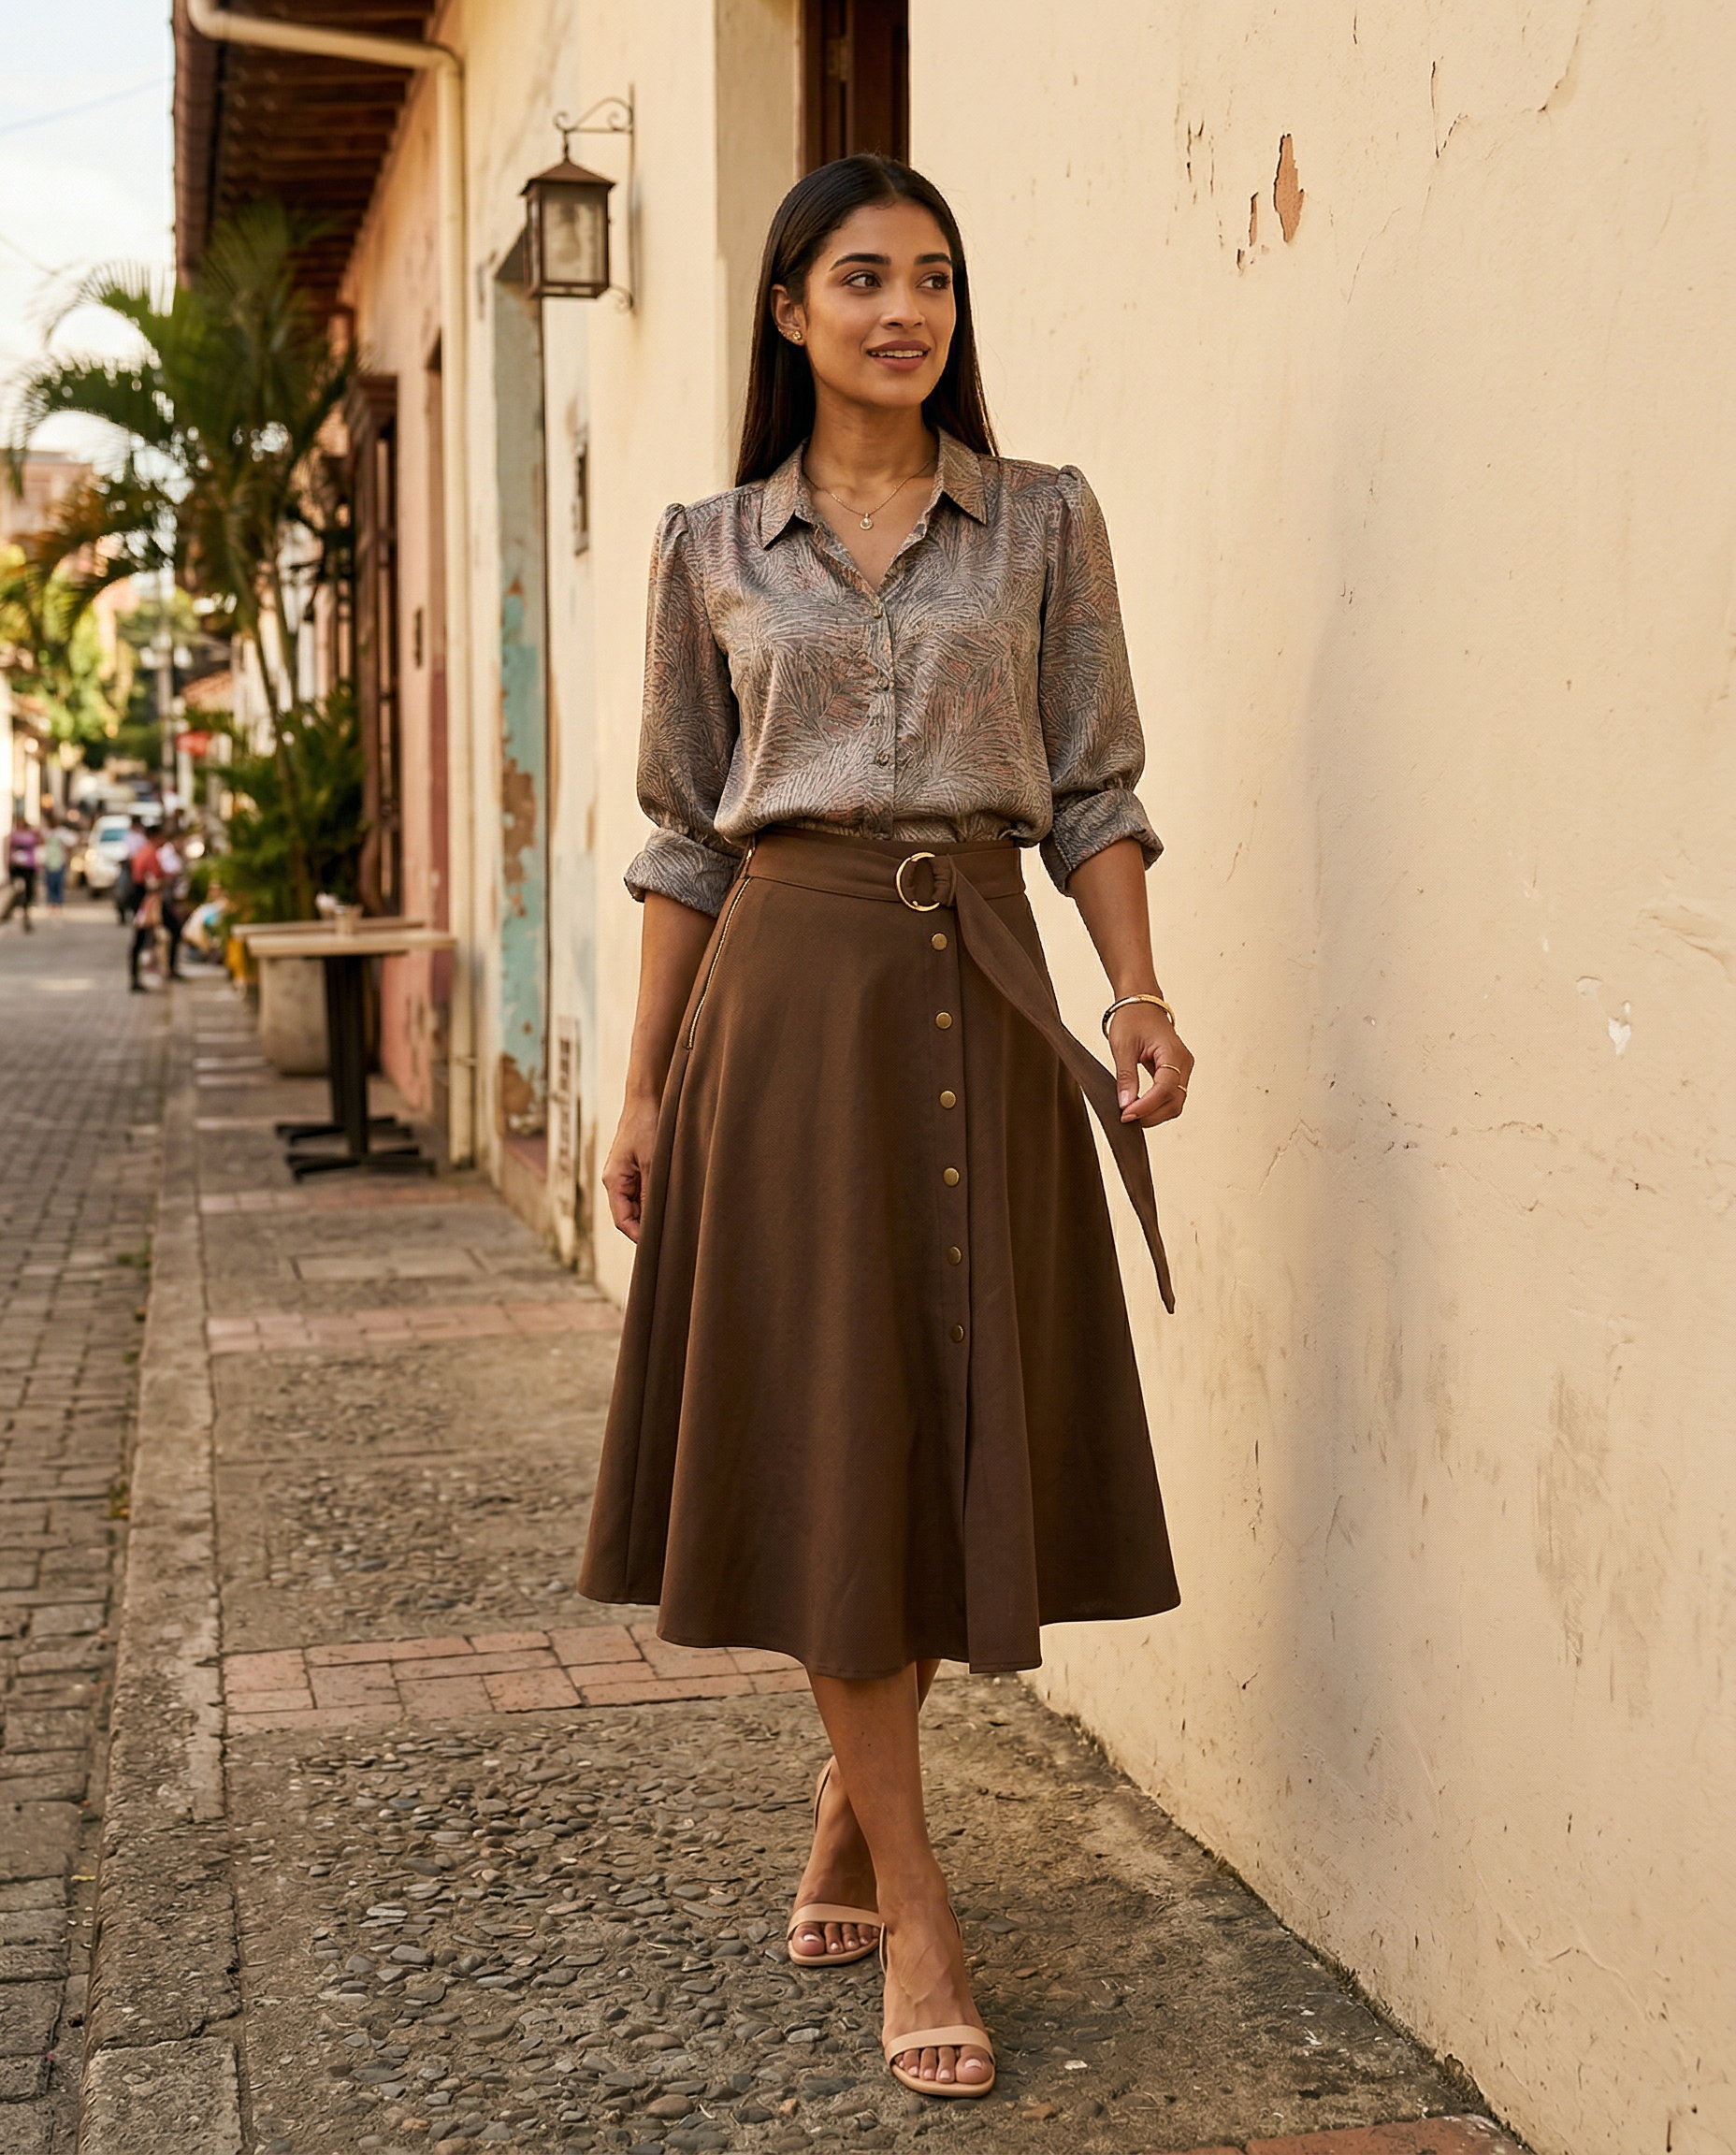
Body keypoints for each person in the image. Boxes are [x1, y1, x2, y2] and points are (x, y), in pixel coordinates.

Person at [578, 156, 1196, 2103]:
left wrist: (1138, 992)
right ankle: (918, 1896)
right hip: (790, 999)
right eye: (859, 278)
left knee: (940, 1423)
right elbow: (685, 831)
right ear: (788, 310)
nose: (901, 309)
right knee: (836, 1423)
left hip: (989, 992)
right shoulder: (706, 548)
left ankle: (854, 1811)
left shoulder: (1039, 523)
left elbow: (1091, 786)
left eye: (931, 277)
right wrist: (649, 1077)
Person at [126, 828, 165, 991]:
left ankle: (137, 977)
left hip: (139, 895)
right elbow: (156, 875)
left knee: (141, 939)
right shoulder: (150, 853)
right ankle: (137, 978)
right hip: (144, 898)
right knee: (142, 939)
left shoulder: (142, 851)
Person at [4, 815, 40, 932]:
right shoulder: (12, 836)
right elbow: (7, 850)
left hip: (28, 868)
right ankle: (10, 911)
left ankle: (25, 912)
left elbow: (39, 842)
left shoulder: (31, 834)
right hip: (16, 867)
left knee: (29, 892)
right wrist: (7, 865)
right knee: (16, 890)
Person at [116, 814, 149, 924]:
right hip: (129, 867)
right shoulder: (128, 836)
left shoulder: (142, 836)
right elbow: (128, 853)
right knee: (123, 892)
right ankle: (122, 914)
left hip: (140, 867)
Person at [41, 817, 68, 914]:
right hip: (49, 862)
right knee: (50, 883)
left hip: (59, 861)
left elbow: (70, 842)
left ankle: (58, 903)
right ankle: (51, 903)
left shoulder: (61, 832)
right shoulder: (46, 832)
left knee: (58, 883)